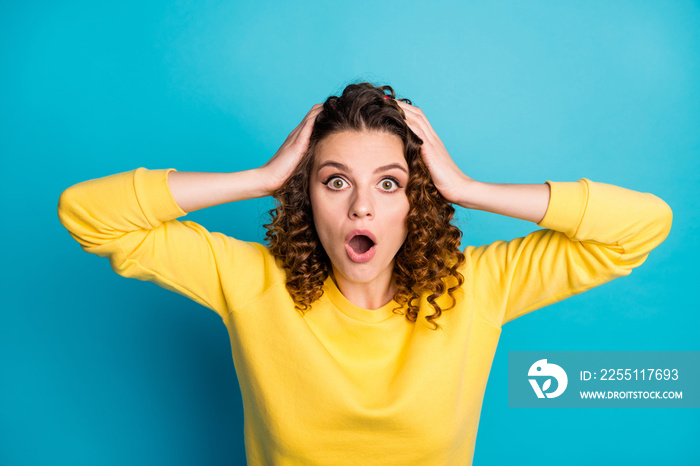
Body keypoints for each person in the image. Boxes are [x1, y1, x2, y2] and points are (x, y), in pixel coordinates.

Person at [57, 82, 672, 465]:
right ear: (308, 199)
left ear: (415, 201)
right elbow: (88, 215)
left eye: (388, 183)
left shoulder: (480, 289)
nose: (362, 207)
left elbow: (642, 227)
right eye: (335, 181)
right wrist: (263, 178)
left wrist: (469, 188)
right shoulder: (250, 283)